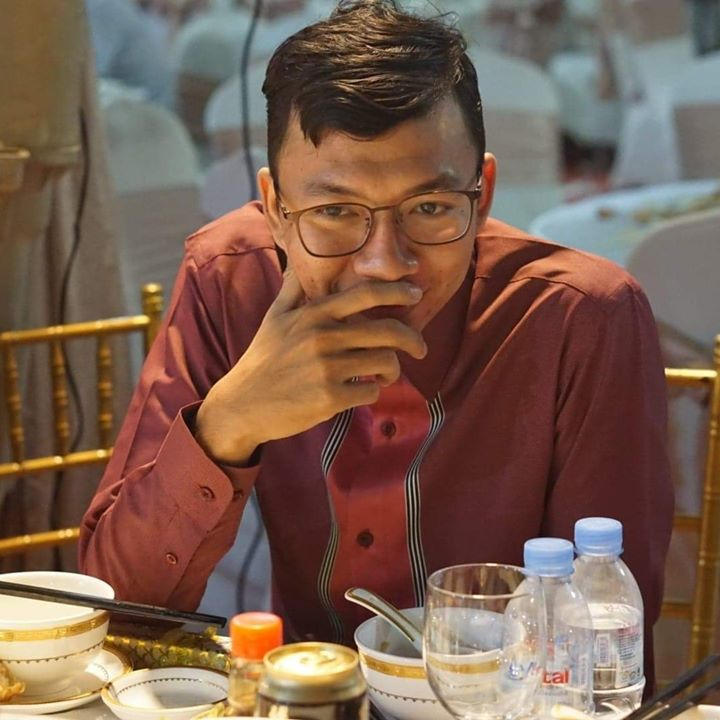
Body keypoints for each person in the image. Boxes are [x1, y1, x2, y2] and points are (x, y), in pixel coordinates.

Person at [80, 0, 673, 687]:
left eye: (429, 208)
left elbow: (604, 649)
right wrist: (228, 424)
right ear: (274, 208)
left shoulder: (578, 317)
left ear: (482, 195)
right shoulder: (231, 281)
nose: (385, 262)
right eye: (334, 211)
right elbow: (114, 608)